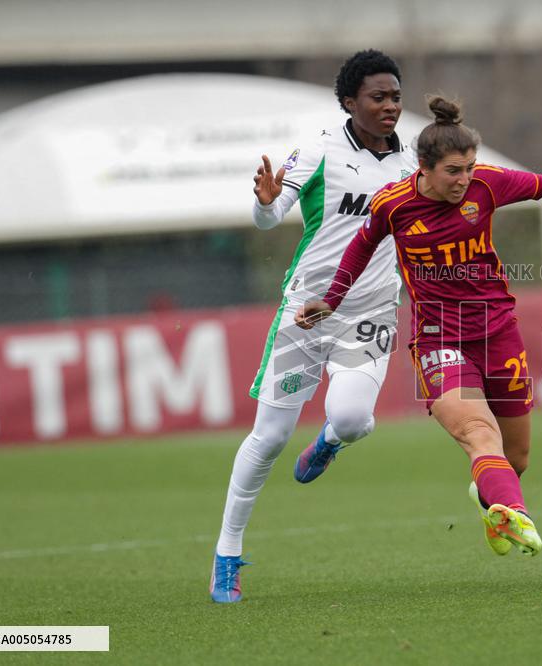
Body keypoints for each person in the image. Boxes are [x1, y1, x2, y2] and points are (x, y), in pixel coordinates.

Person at [296, 96, 542, 557]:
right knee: (478, 434)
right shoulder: (394, 204)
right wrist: (330, 300)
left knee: (516, 458)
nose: (464, 179)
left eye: (469, 167)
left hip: (498, 332)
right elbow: (361, 248)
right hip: (439, 340)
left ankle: (493, 498)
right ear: (423, 168)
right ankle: (516, 515)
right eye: (453, 171)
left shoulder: (486, 186)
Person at [209, 49, 417, 603]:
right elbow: (271, 215)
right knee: (271, 435)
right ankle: (227, 553)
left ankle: (328, 441)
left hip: (370, 311)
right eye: (378, 97)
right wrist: (265, 204)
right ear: (350, 102)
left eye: (396, 95)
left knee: (351, 420)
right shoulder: (321, 148)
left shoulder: (411, 166)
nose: (390, 106)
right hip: (306, 310)